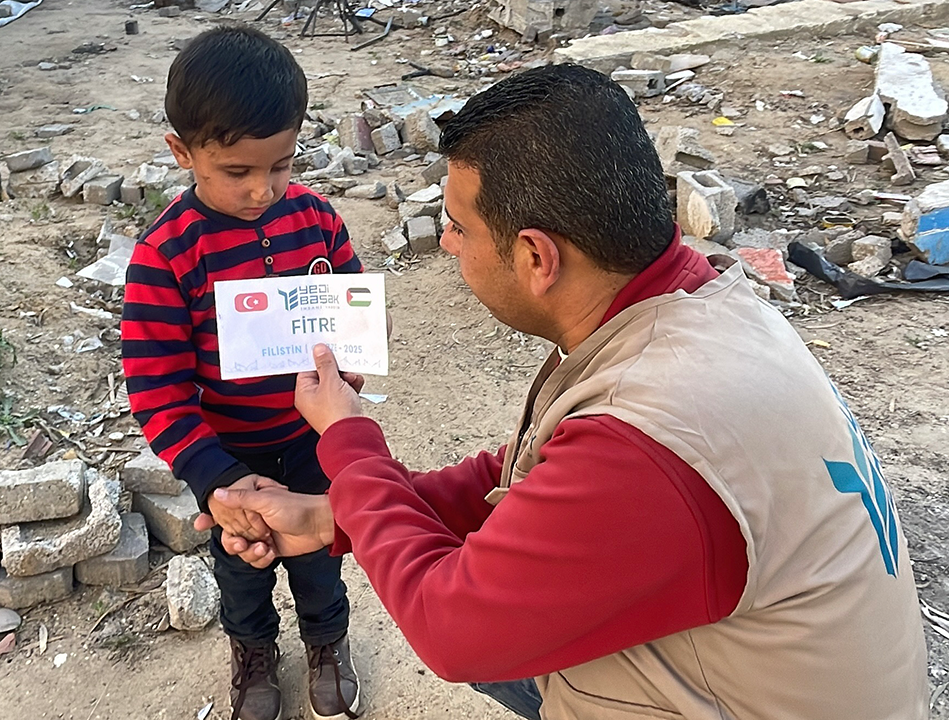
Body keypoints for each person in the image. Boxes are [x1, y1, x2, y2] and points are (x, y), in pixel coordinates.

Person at [199, 64, 930, 719]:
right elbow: (535, 484)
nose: (448, 244)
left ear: (536, 256)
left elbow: (452, 630)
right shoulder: (699, 302)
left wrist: (348, 442)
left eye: (457, 225)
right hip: (772, 678)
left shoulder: (649, 445)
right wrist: (336, 517)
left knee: (491, 640)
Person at [120, 24, 364, 720]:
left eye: (281, 165)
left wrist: (351, 369)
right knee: (242, 567)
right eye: (237, 172)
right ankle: (253, 655)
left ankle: (327, 643)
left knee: (321, 557)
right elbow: (157, 387)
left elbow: (349, 318)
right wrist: (215, 478)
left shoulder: (318, 222)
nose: (263, 190)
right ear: (182, 152)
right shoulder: (165, 256)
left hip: (317, 443)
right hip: (233, 459)